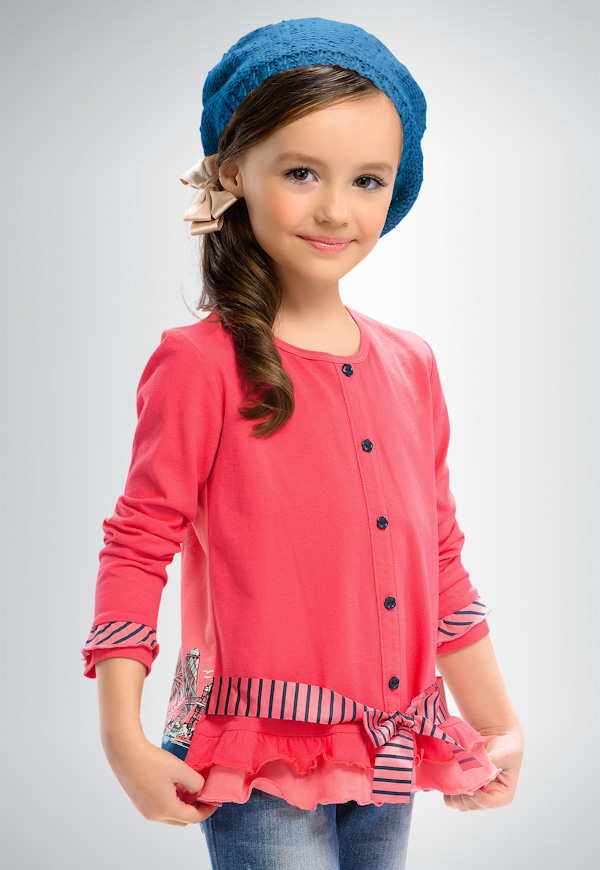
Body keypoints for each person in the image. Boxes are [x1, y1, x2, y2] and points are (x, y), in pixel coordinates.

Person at [81, 16, 524, 870]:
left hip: (389, 748)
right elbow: (138, 544)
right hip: (259, 760)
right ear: (231, 173)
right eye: (300, 172)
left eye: (367, 180)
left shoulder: (412, 365)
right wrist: (121, 739)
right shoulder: (200, 364)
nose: (334, 209)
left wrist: (498, 723)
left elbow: (438, 556)